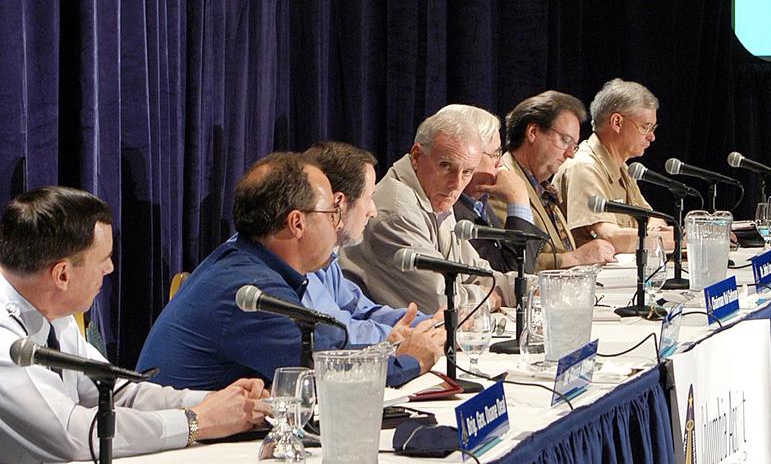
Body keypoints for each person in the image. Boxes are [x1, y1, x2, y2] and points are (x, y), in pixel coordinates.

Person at [0, 187, 264, 463]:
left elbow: (114, 391)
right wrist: (196, 422)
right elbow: (73, 436)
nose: (110, 269)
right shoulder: (4, 339)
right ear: (62, 274)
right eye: (103, 260)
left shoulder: (53, 310)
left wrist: (224, 402)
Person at [139, 152, 347, 389]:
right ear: (297, 223)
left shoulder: (241, 265)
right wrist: (396, 355)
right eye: (332, 213)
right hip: (183, 423)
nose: (337, 224)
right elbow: (329, 372)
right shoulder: (250, 287)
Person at [340, 109, 515, 315]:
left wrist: (527, 287)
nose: (456, 184)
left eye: (467, 172)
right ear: (416, 156)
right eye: (446, 166)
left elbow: (474, 271)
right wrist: (489, 299)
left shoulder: (435, 197)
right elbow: (440, 302)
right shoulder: (397, 212)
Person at [302, 142, 446, 387]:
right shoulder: (294, 264)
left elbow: (361, 309)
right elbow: (332, 337)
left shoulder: (328, 258)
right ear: (337, 203)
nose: (373, 211)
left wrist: (429, 322)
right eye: (369, 198)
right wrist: (395, 339)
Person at [490, 91, 616, 270]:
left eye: (574, 146)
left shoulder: (542, 187)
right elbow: (515, 264)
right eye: (565, 141)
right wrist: (575, 258)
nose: (571, 154)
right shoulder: (503, 183)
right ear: (533, 132)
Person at [558, 78, 673, 253]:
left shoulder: (622, 168)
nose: (651, 137)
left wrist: (656, 233)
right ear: (617, 122)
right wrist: (679, 239)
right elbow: (610, 238)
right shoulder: (584, 167)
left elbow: (654, 219)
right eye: (645, 127)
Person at [444, 105, 545, 273]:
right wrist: (518, 200)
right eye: (495, 154)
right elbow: (516, 274)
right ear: (469, 154)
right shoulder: (452, 211)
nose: (500, 163)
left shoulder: (479, 203)